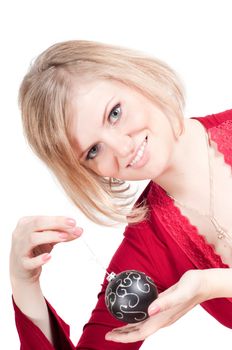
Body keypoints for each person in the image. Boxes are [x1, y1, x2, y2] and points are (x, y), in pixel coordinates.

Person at [10, 40, 232, 349]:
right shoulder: (148, 245)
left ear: (136, 77)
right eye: (93, 151)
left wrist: (212, 284)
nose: (122, 148)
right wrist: (24, 286)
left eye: (114, 113)